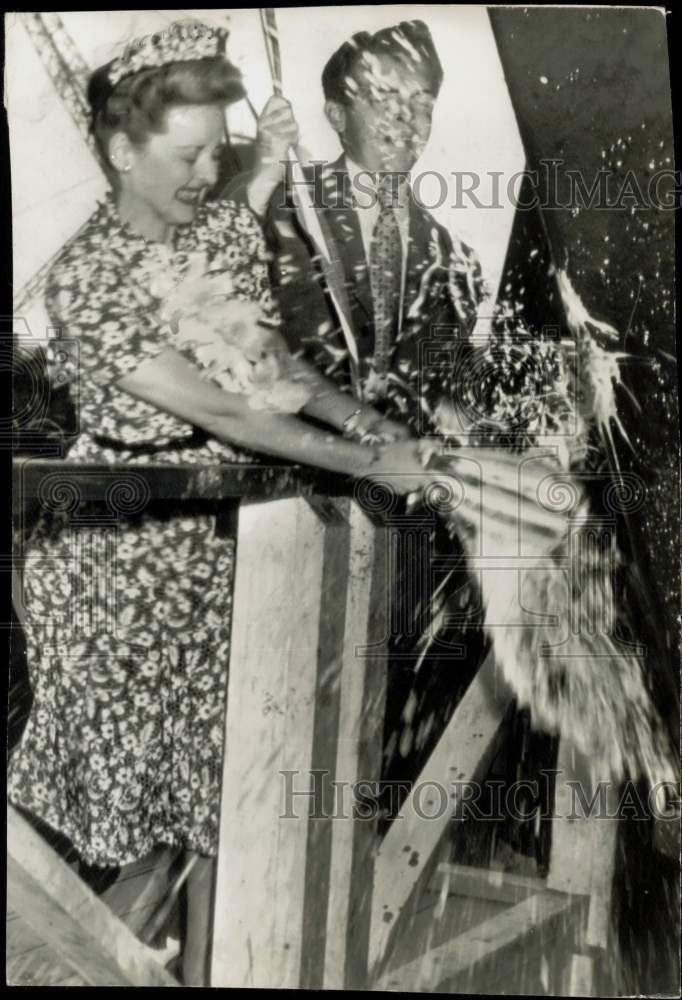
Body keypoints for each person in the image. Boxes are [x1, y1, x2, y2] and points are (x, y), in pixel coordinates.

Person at [7, 20, 438, 986]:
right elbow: (221, 408)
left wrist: (371, 428)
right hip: (111, 563)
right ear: (121, 150)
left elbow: (273, 366)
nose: (210, 169)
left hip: (214, 553)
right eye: (187, 153)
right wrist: (362, 466)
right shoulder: (89, 279)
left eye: (217, 147)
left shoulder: (226, 232)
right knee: (101, 805)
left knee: (220, 802)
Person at [227, 20, 489, 802]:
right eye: (383, 98)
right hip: (283, 508)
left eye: (422, 101)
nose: (406, 119)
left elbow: (446, 393)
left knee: (365, 745)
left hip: (395, 532)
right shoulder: (283, 207)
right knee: (267, 745)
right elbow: (250, 350)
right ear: (335, 114)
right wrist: (261, 178)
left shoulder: (449, 252)